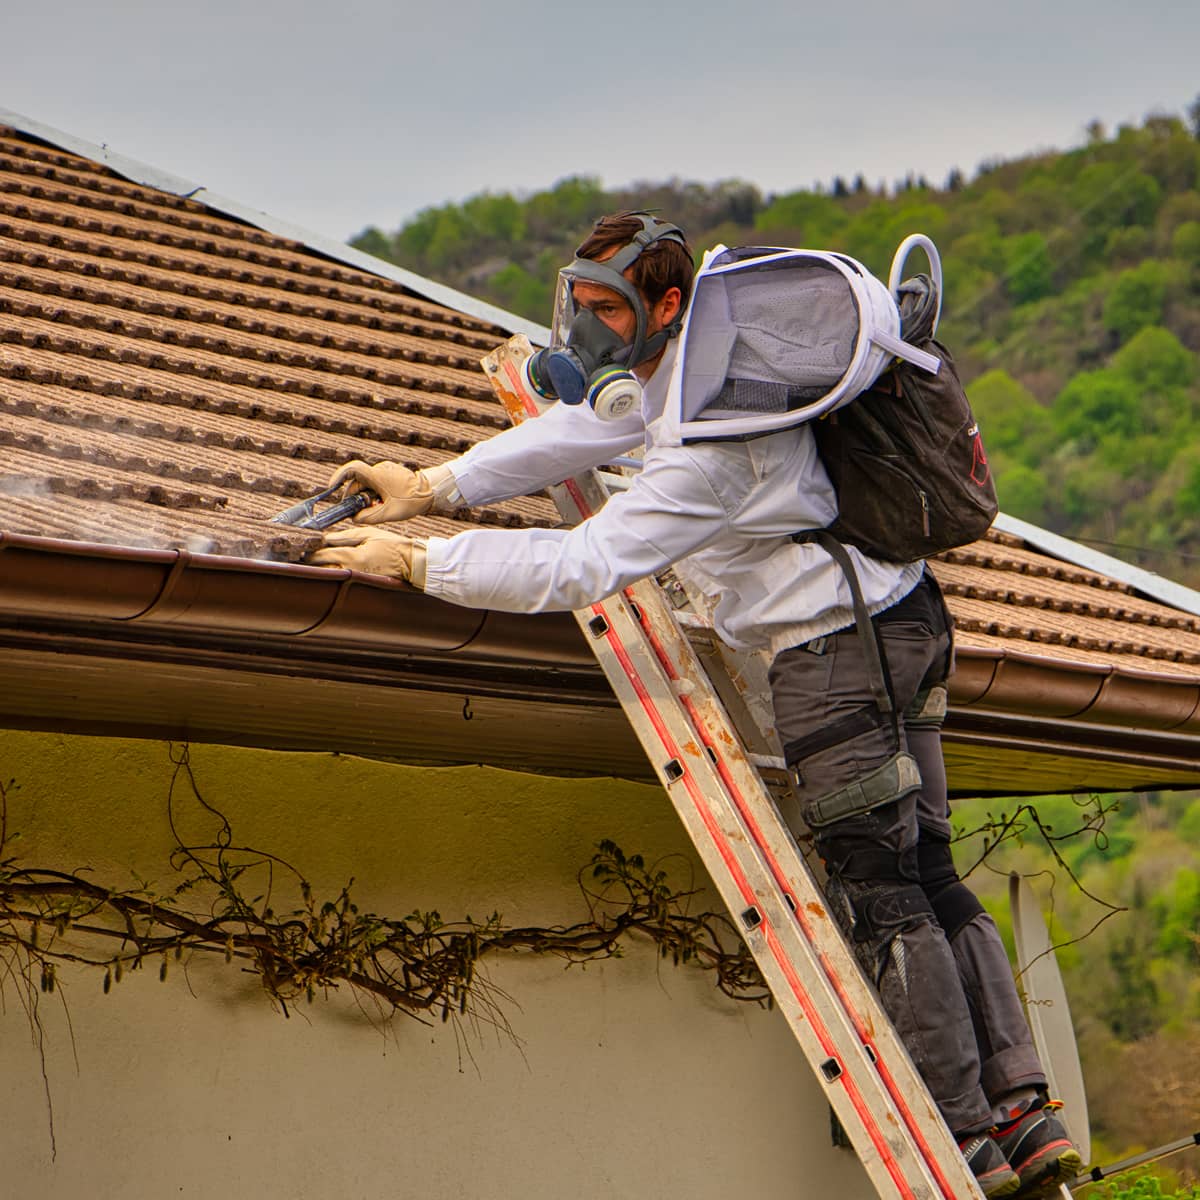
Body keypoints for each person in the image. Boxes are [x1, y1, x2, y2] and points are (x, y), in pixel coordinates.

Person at [308, 212, 1082, 1198]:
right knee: (927, 863)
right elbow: (595, 426)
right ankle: (1025, 1113)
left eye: (607, 309)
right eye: (579, 303)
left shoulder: (713, 450)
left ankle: (965, 1139)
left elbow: (586, 563)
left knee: (882, 890)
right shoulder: (719, 356)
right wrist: (431, 484)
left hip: (837, 655)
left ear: (664, 307)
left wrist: (423, 564)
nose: (586, 327)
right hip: (905, 615)